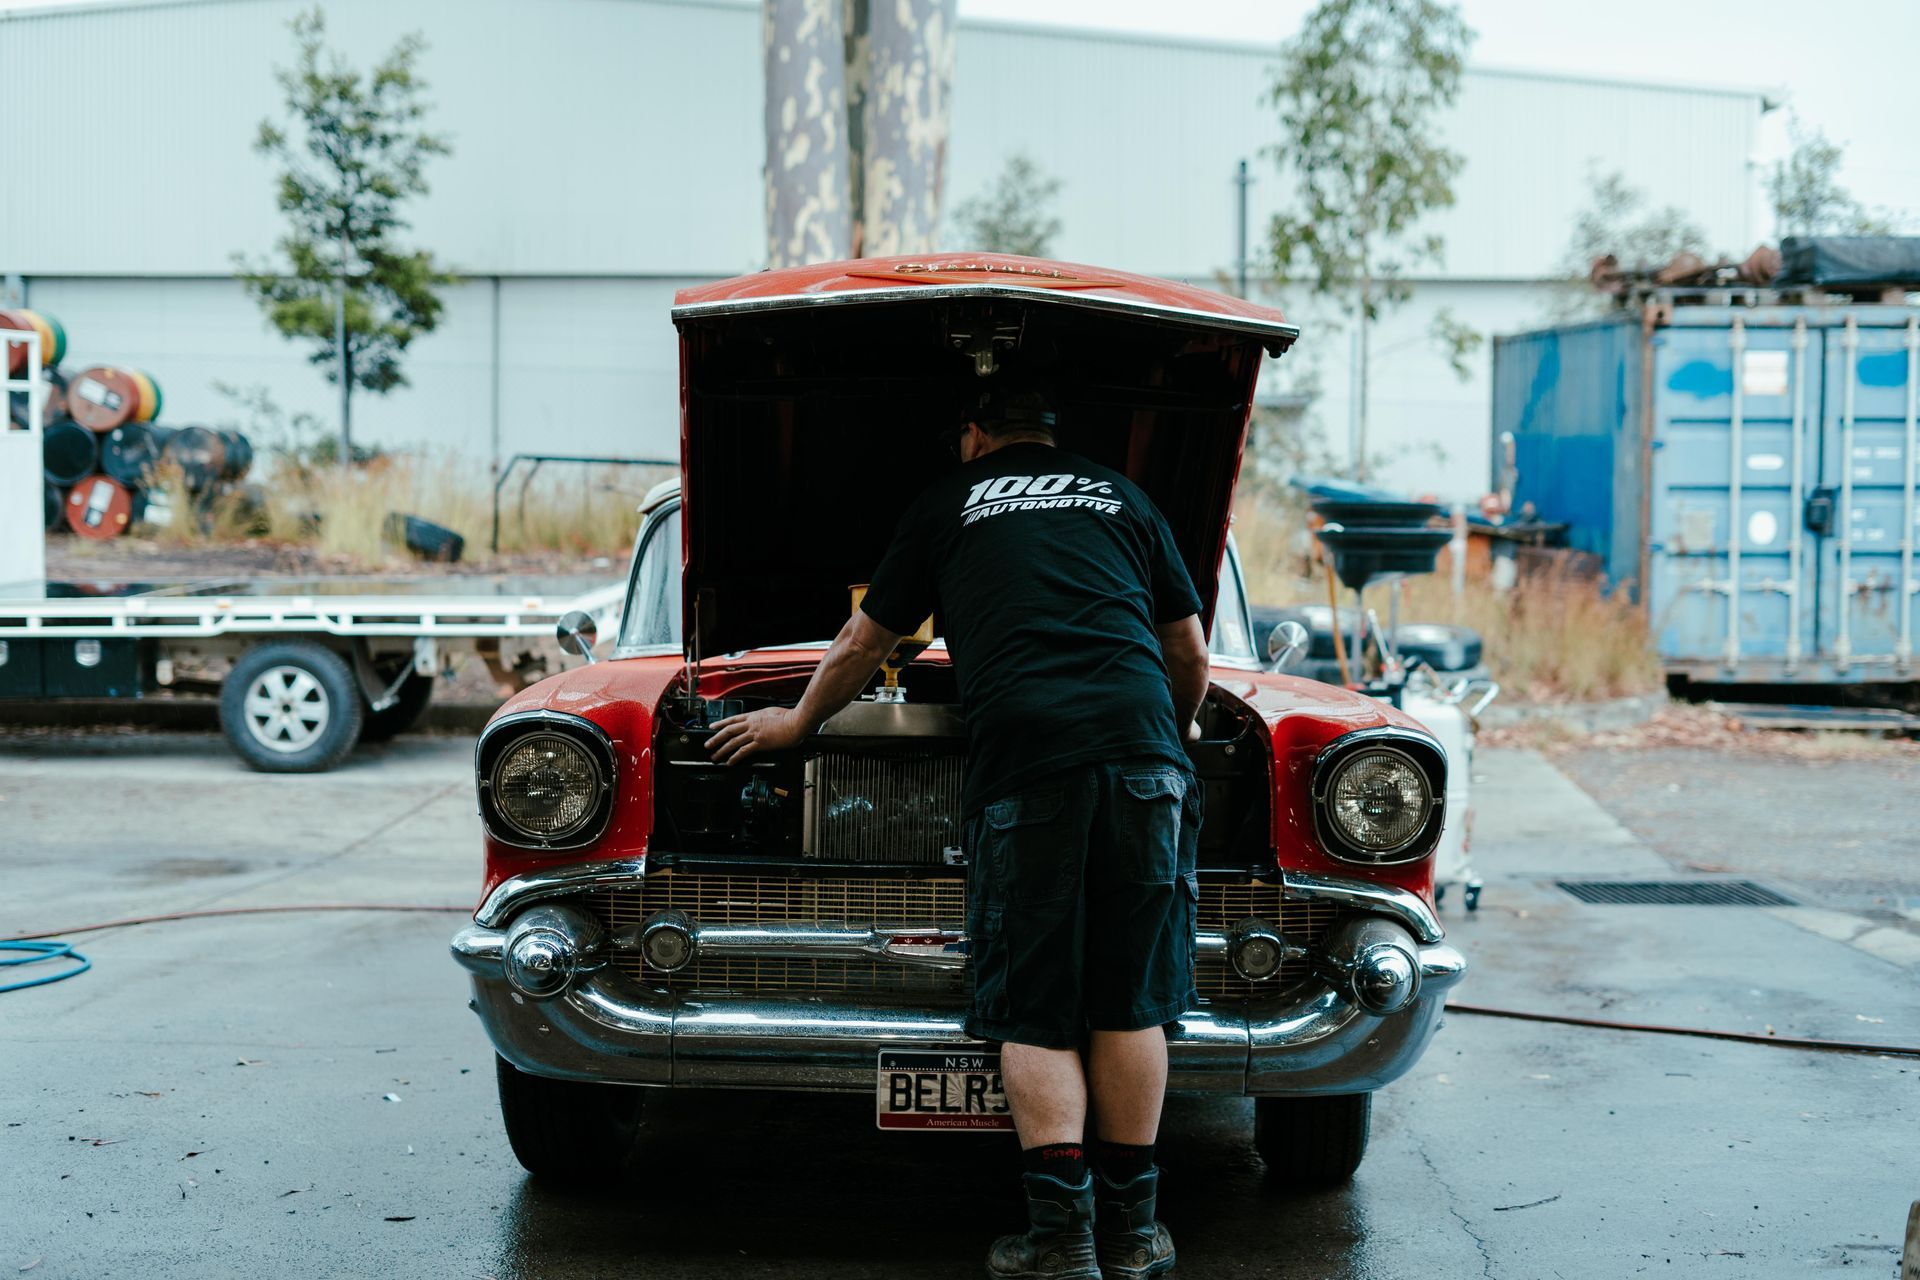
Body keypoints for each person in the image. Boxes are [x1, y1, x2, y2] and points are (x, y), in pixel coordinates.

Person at [706, 384, 1210, 1280]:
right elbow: (1188, 651)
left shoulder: (948, 503)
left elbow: (866, 642)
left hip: (1032, 761)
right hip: (1144, 761)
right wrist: (1169, 732)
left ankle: (1061, 1244)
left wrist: (796, 726)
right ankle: (1135, 1237)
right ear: (1051, 432)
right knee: (1133, 1001)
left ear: (973, 436)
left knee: (1039, 1009)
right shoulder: (1123, 497)